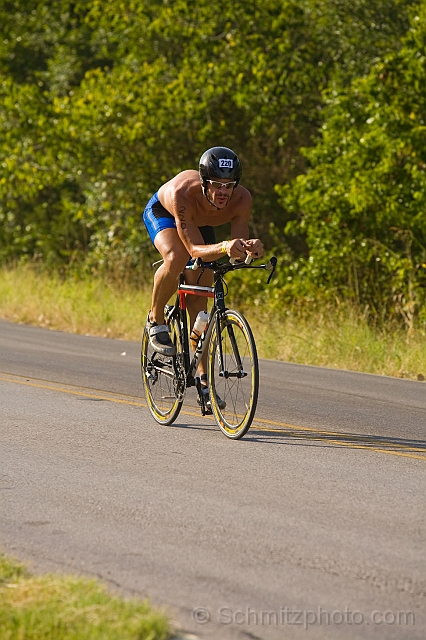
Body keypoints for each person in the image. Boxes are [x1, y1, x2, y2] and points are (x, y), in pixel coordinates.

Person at [143, 146, 264, 407]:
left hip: (202, 225)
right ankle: (156, 317)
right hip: (166, 214)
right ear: (204, 182)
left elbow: (237, 242)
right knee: (176, 259)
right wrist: (223, 246)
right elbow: (193, 250)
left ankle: (202, 381)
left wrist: (251, 249)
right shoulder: (183, 193)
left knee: (200, 307)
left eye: (229, 185)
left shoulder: (242, 199)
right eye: (216, 184)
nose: (223, 192)